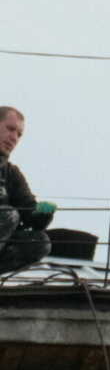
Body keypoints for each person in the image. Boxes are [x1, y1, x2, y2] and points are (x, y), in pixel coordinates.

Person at [0, 106, 55, 275]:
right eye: (10, 129)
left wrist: (43, 213)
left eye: (19, 134)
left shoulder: (11, 174)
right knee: (9, 214)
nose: (14, 137)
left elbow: (29, 211)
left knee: (39, 242)